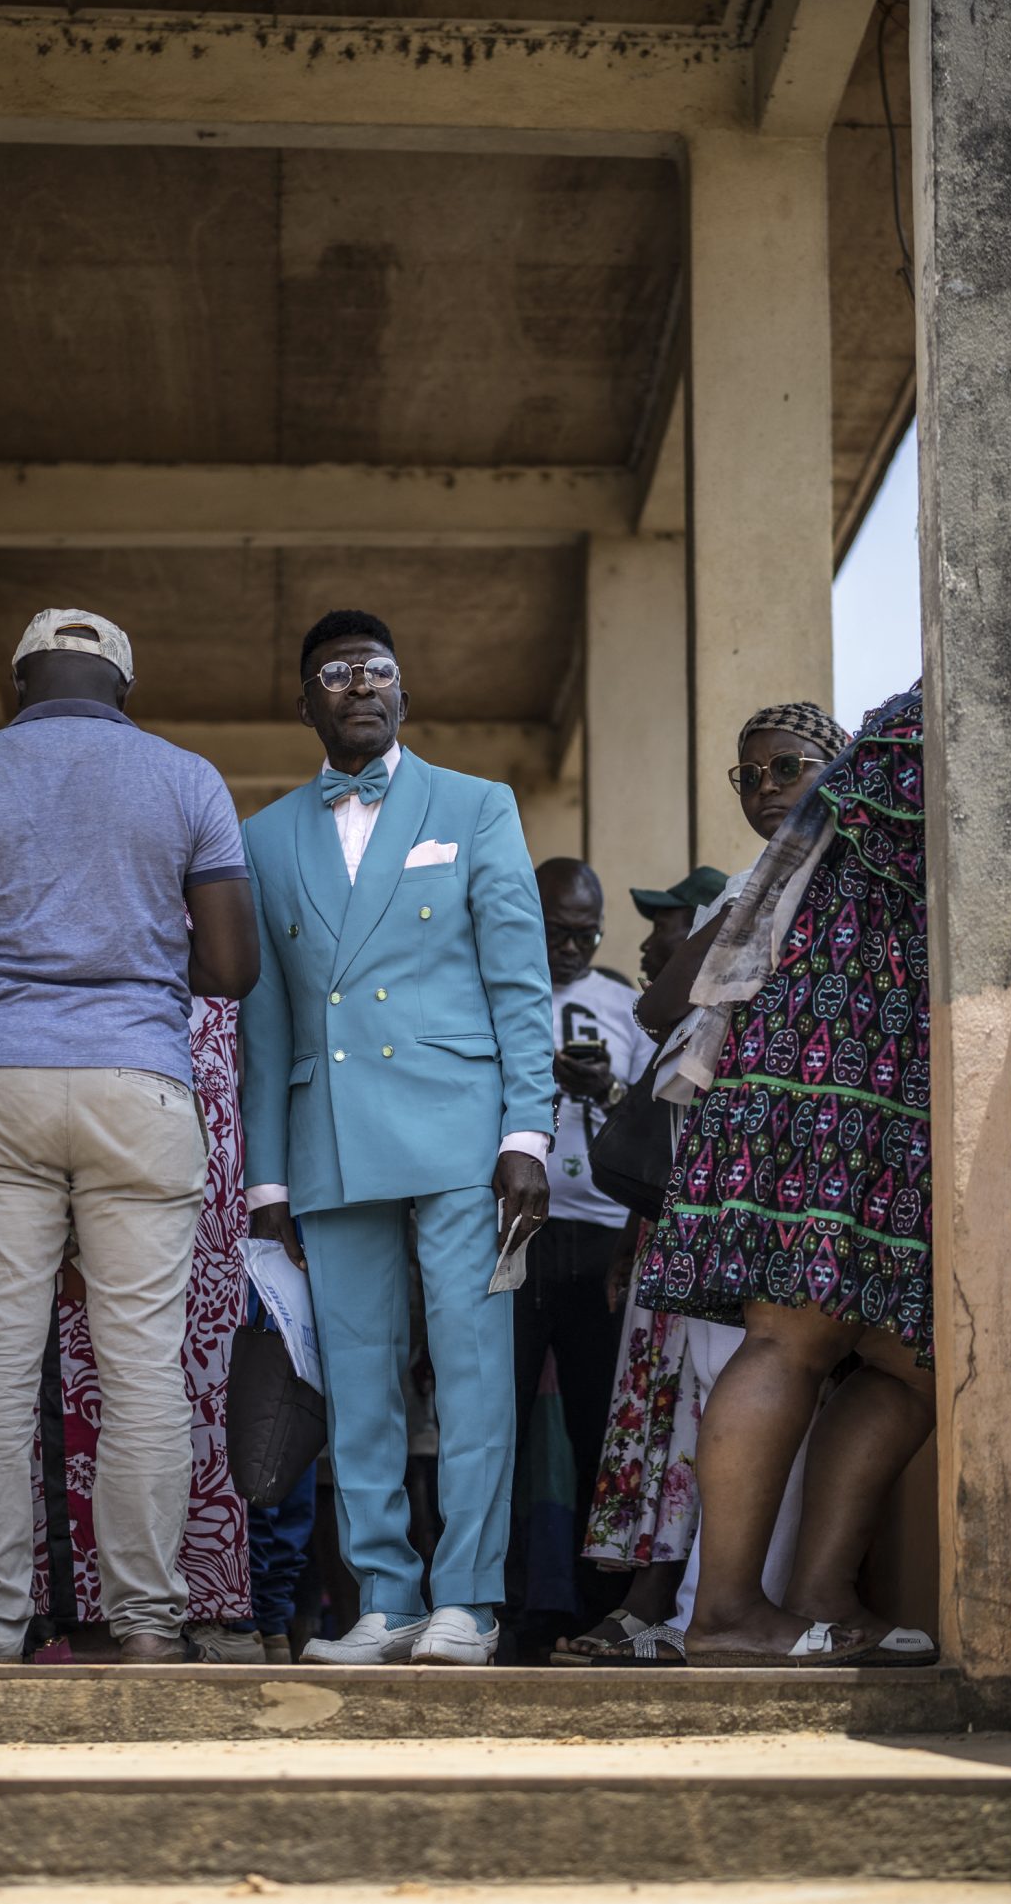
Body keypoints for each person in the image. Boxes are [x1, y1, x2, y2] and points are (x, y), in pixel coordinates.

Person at [0, 608, 260, 1664]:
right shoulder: (186, 779)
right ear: (123, 690)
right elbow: (233, 968)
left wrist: (12, 974)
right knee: (143, 1370)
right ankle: (146, 1626)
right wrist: (130, 969)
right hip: (138, 1087)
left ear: (17, 684)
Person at [238, 609, 554, 1668]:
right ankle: (384, 1596)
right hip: (328, 1141)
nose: (359, 684)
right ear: (306, 703)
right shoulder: (265, 835)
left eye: (378, 668)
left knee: (473, 1372)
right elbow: (265, 1019)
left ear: (404, 692)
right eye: (334, 672)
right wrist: (265, 1181)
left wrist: (530, 1131)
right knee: (356, 1382)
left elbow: (519, 980)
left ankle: (468, 1597)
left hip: (465, 1135)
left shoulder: (477, 805)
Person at [634, 690, 938, 1667]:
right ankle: (724, 1611)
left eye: (783, 768)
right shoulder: (916, 741)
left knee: (907, 1361)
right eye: (749, 773)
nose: (765, 787)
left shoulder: (866, 766)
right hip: (832, 1081)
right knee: (792, 1337)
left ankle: (815, 1594)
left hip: (830, 1087)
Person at [32, 994, 260, 1661]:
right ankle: (95, 1613)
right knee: (102, 1371)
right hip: (120, 1096)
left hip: (176, 1110)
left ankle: (199, 1605)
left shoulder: (229, 889)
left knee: (190, 1372)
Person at [554, 865, 725, 1664]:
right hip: (658, 1240)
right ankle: (640, 1601)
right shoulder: (678, 1022)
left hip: (707, 1252)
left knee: (687, 1418)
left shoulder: (700, 1014)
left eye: (668, 924)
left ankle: (676, 1605)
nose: (648, 942)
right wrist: (634, 1232)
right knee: (654, 1419)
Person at [506, 858, 652, 1653]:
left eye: (586, 932)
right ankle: (510, 1607)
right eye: (556, 929)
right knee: (504, 1427)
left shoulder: (625, 1006)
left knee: (602, 1432)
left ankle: (601, 1610)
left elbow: (652, 1131)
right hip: (516, 1234)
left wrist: (603, 1092)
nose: (570, 946)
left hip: (601, 1239)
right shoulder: (496, 992)